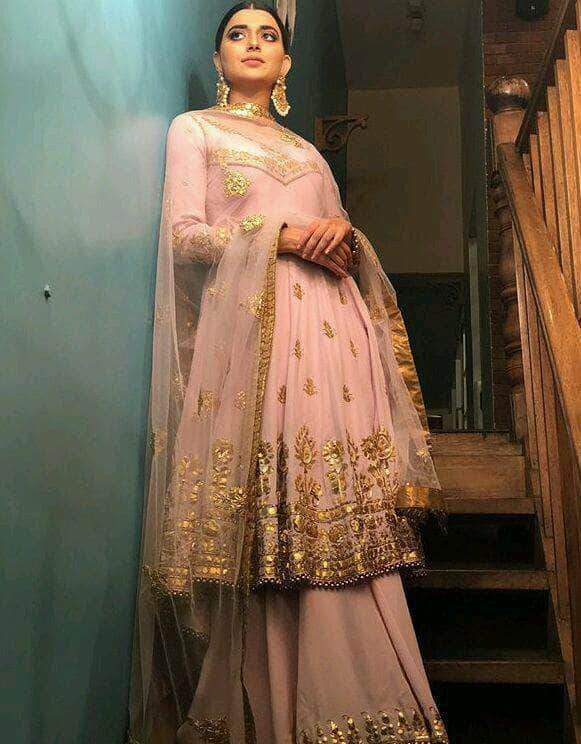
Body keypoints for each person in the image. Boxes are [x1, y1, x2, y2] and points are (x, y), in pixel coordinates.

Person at [127, 3, 450, 743]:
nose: (252, 43)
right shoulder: (195, 130)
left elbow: (341, 250)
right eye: (236, 34)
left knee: (343, 510)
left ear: (285, 64)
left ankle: (365, 697)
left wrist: (344, 237)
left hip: (337, 340)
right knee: (274, 513)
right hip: (256, 343)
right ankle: (275, 707)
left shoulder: (310, 154)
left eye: (268, 35)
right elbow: (184, 239)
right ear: (218, 60)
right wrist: (279, 233)